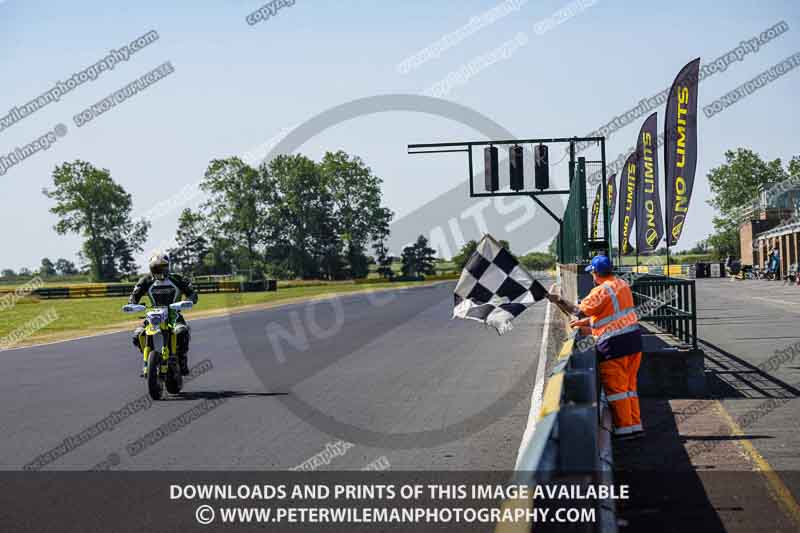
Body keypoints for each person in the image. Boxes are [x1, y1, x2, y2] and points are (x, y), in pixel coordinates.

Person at [546, 254, 644, 440]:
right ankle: (635, 426)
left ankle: (625, 430)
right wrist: (586, 323)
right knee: (629, 387)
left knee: (617, 390)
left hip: (614, 346)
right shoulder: (622, 284)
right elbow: (612, 314)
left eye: (592, 273)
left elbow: (577, 310)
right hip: (634, 342)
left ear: (596, 273)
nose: (592, 276)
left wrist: (558, 300)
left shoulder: (600, 291)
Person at [128, 252, 198, 376]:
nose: (159, 270)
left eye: (162, 267)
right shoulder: (146, 280)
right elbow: (135, 295)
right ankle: (149, 359)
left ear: (168, 266)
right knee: (137, 334)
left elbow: (192, 293)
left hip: (173, 314)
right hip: (153, 315)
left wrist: (188, 301)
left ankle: (182, 359)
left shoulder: (177, 279)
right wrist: (133, 304)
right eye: (156, 268)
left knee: (182, 331)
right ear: (151, 269)